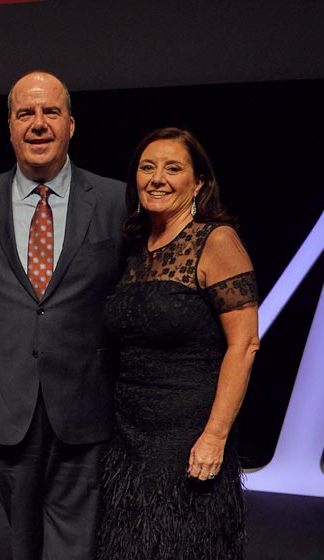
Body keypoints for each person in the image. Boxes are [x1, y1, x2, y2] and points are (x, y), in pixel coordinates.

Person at [0, 70, 127, 560]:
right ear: (9, 127)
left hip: (85, 404)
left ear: (71, 125)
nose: (38, 124)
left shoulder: (115, 200)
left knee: (74, 544)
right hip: (6, 407)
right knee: (23, 542)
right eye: (25, 113)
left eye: (50, 112)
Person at [98, 127, 260, 559]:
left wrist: (215, 435)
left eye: (173, 168)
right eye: (147, 167)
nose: (157, 178)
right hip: (129, 439)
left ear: (198, 182)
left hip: (187, 438)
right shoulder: (137, 248)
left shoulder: (216, 241)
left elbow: (244, 346)